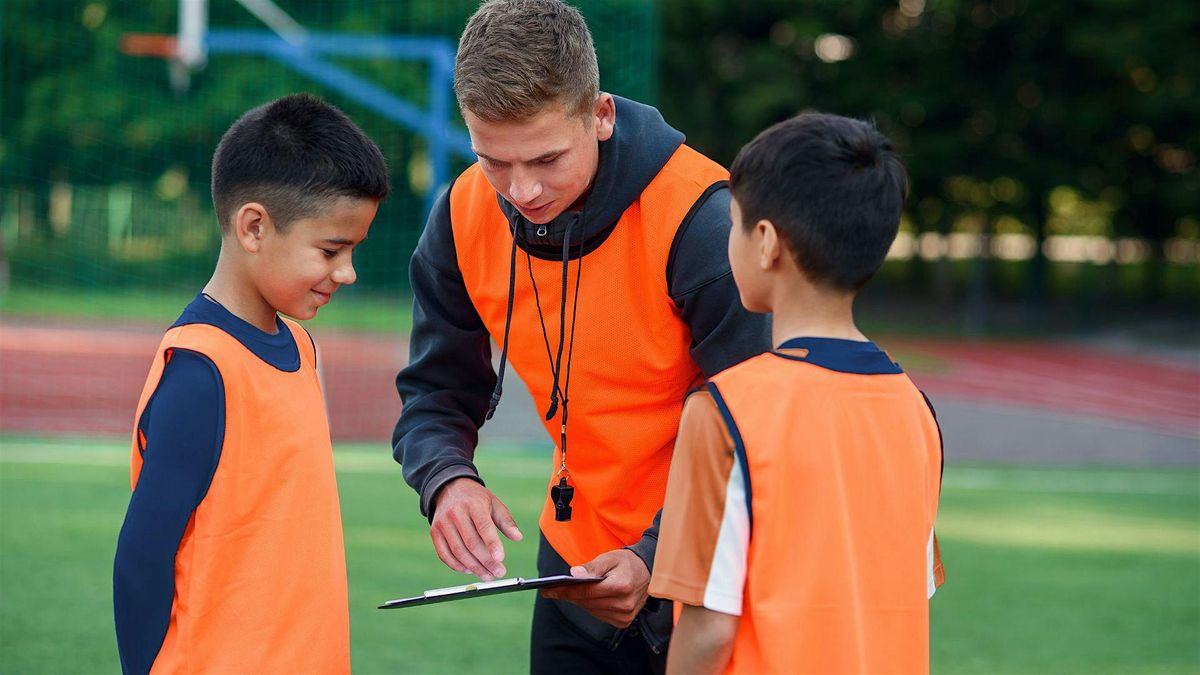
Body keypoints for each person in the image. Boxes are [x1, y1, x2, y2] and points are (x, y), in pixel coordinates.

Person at [392, 0, 770, 671]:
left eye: (545, 158)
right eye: (494, 161)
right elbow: (433, 389)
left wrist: (655, 557)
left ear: (600, 115)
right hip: (571, 569)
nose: (522, 189)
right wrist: (447, 479)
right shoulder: (459, 216)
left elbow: (759, 430)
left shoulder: (705, 221)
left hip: (708, 578)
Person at [648, 112, 946, 674]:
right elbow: (908, 596)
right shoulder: (917, 410)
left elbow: (709, 627)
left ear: (765, 243)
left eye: (734, 223)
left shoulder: (724, 412)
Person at [112, 93, 389, 675]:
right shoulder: (200, 368)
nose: (347, 272)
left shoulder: (303, 348)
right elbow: (143, 554)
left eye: (353, 251)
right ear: (255, 227)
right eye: (331, 250)